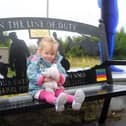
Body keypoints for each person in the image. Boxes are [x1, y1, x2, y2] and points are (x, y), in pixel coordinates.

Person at [27, 37, 85, 112]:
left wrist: (59, 78)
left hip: (55, 87)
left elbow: (63, 73)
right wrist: (43, 79)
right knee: (47, 95)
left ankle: (75, 101)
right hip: (39, 89)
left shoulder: (56, 63)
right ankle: (56, 102)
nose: (49, 56)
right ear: (40, 52)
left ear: (55, 54)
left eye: (52, 54)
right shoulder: (36, 63)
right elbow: (31, 74)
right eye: (46, 53)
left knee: (61, 94)